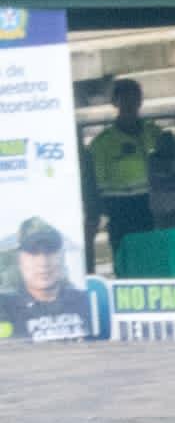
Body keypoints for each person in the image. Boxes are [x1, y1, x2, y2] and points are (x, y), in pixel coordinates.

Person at [81, 79, 162, 258]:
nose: (130, 103)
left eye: (134, 98)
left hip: (152, 206)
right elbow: (95, 185)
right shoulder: (102, 143)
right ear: (115, 102)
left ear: (140, 101)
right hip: (120, 210)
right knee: (125, 260)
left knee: (154, 258)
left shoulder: (155, 133)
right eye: (125, 98)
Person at [1, 216, 90, 339]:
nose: (43, 262)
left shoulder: (87, 301)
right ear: (19, 260)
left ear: (62, 257)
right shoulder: (4, 307)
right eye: (33, 253)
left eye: (50, 252)